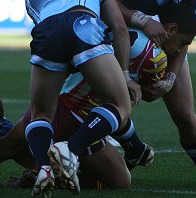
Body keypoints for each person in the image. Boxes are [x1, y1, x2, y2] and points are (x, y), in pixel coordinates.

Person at [117, 0, 196, 189]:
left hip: (167, 40)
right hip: (123, 33)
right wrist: (143, 21)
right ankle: (128, 148)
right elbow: (107, 5)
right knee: (111, 99)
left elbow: (184, 30)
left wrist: (170, 80)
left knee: (184, 113)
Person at [24, 0, 133, 195]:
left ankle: (44, 168)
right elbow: (119, 26)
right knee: (120, 105)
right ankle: (71, 150)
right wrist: (125, 73)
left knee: (40, 114)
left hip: (48, 30)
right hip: (82, 24)